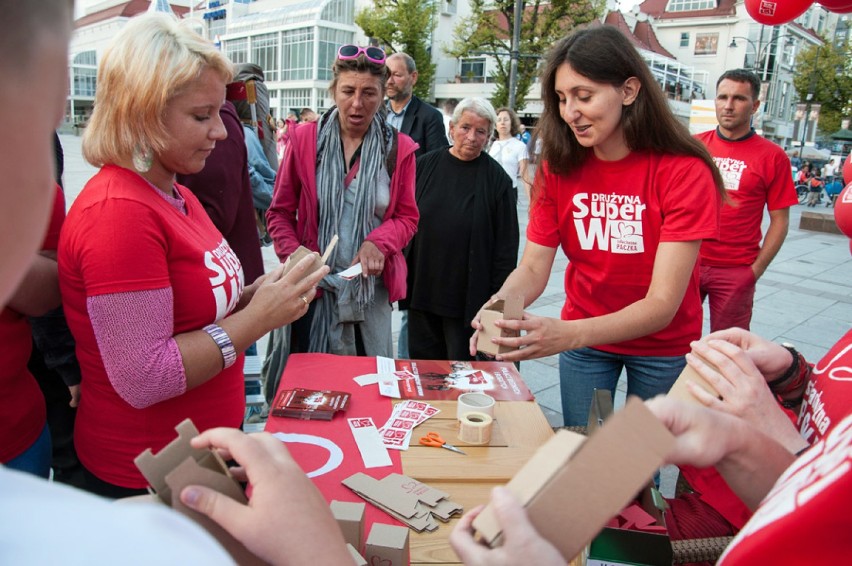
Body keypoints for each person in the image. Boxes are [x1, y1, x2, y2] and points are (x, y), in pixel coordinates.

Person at [58, 13, 328, 498]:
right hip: (148, 471)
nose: (221, 133)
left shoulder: (173, 191)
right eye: (202, 117)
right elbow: (145, 376)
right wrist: (257, 319)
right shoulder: (119, 212)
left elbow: (192, 310)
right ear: (142, 113)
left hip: (194, 455)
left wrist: (258, 294)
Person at [468, 26, 724, 426]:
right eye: (562, 98)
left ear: (628, 91)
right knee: (587, 453)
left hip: (661, 347)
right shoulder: (559, 166)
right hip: (588, 345)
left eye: (584, 96)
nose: (570, 112)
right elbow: (534, 267)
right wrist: (500, 308)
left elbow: (661, 304)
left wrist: (565, 334)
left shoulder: (684, 172)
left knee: (635, 466)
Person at [266, 44, 419, 358]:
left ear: (383, 95)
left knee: (366, 383)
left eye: (370, 93)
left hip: (366, 292)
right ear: (334, 90)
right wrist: (296, 254)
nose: (357, 104)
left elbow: (407, 217)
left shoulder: (398, 149)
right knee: (309, 384)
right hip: (311, 289)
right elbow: (279, 212)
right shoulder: (305, 140)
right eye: (348, 91)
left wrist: (379, 242)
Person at [403, 98, 519, 360]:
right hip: (423, 293)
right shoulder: (424, 166)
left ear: (489, 137)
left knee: (463, 374)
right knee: (424, 371)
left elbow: (506, 249)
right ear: (452, 128)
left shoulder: (497, 180)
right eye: (465, 128)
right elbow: (404, 219)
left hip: (468, 301)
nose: (472, 137)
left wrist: (497, 303)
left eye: (481, 131)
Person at [695, 69, 798, 332]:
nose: (728, 106)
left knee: (729, 348)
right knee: (672, 343)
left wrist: (755, 270)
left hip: (736, 268)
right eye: (722, 97)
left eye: (739, 99)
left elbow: (780, 220)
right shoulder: (693, 147)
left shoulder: (773, 156)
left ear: (755, 106)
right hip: (687, 261)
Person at [385, 51, 449, 359]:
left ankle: (407, 364)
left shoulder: (428, 117)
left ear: (413, 78)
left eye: (397, 74)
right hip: (378, 215)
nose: (390, 80)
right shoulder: (377, 113)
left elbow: (435, 164)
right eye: (387, 73)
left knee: (412, 296)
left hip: (412, 214)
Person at [176, 101, 265, 285]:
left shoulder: (223, 126)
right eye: (202, 115)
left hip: (224, 283)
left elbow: (218, 215)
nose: (220, 131)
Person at [489, 107, 529, 193]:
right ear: (495, 125)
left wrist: (531, 202)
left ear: (512, 123)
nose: (502, 122)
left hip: (508, 191)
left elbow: (525, 176)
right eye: (499, 120)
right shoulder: (490, 145)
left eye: (506, 119)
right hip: (490, 191)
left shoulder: (520, 146)